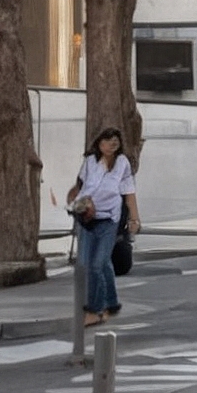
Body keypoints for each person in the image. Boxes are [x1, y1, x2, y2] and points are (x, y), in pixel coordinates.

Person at [66, 128, 140, 326]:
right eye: (107, 141)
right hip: (87, 217)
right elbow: (80, 185)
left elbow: (129, 193)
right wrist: (73, 200)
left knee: (96, 265)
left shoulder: (122, 163)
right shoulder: (90, 162)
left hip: (109, 219)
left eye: (115, 141)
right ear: (100, 144)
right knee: (92, 263)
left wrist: (134, 218)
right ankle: (112, 302)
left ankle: (95, 310)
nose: (111, 145)